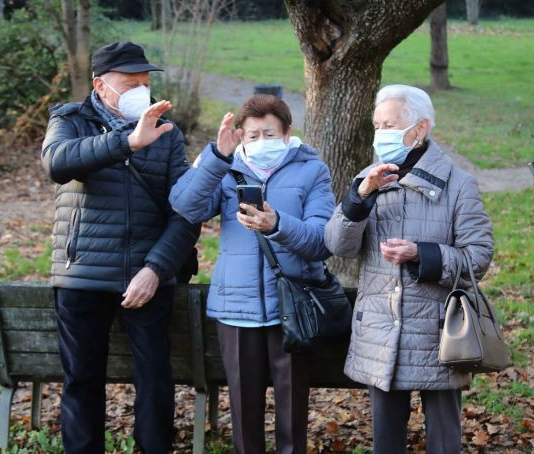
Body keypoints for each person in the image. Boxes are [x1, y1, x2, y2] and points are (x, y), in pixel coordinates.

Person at [41, 41, 200, 454]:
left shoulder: (167, 132)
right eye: (130, 83)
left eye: (145, 83)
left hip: (145, 276)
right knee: (81, 380)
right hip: (82, 275)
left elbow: (186, 211)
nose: (140, 92)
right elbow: (57, 163)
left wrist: (156, 268)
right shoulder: (70, 120)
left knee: (154, 379)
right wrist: (126, 142)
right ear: (100, 84)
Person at [324, 84, 494, 454]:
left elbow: (478, 256)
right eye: (377, 125)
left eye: (390, 125)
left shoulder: (459, 185)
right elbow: (338, 246)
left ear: (420, 129)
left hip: (440, 333)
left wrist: (422, 255)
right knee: (386, 441)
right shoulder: (368, 178)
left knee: (444, 439)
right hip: (380, 331)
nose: (380, 134)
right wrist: (358, 199)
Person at [169, 94, 335, 453]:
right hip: (236, 308)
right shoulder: (224, 169)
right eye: (253, 135)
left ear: (288, 132)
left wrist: (277, 225)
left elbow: (322, 241)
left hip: (291, 308)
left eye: (270, 134)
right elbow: (185, 206)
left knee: (292, 410)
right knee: (244, 411)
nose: (261, 142)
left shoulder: (312, 170)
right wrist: (216, 158)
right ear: (241, 135)